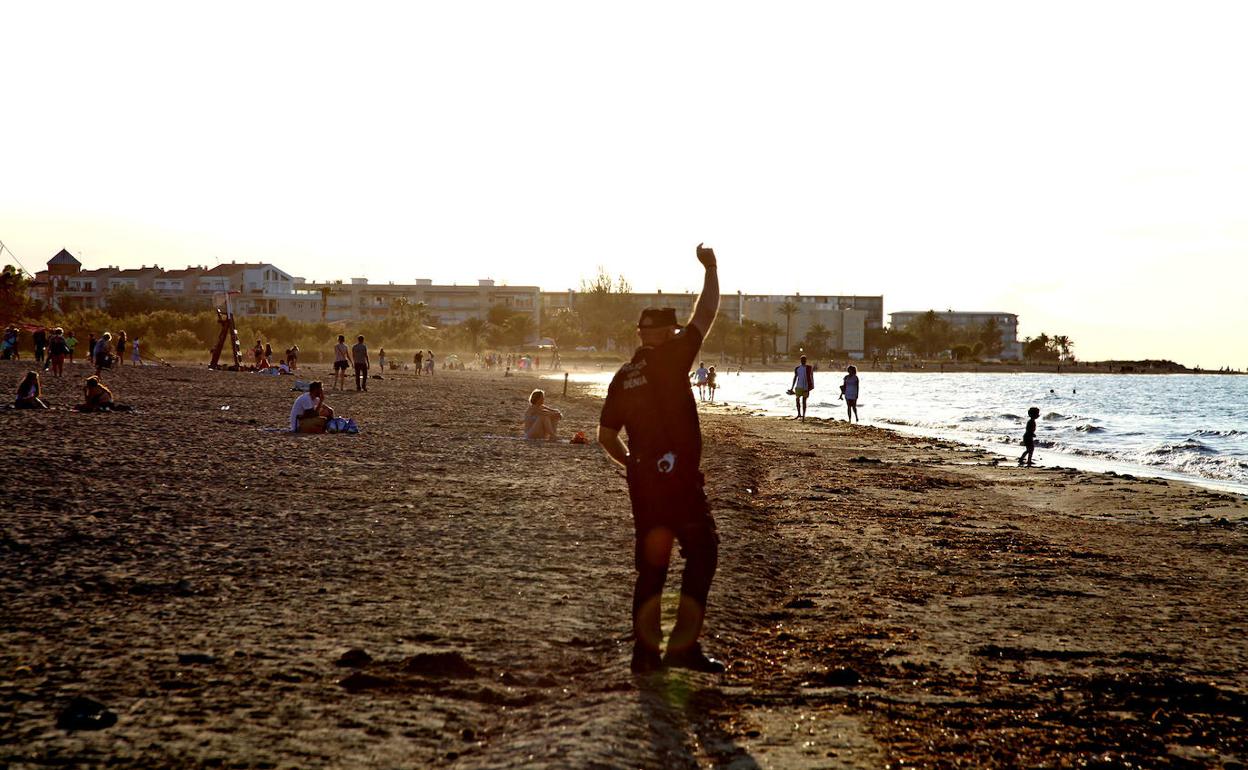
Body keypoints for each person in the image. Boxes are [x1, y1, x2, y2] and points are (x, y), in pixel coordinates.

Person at [597, 243, 723, 675]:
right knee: (703, 554)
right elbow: (704, 315)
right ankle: (681, 648)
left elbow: (605, 436)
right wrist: (711, 269)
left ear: (639, 334)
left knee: (652, 567)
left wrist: (633, 463)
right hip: (678, 482)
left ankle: (644, 655)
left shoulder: (623, 375)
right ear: (670, 333)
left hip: (644, 483)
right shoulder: (673, 358)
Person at [790, 355, 814, 420]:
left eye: (804, 360)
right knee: (797, 399)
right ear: (800, 361)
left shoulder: (809, 368)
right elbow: (795, 378)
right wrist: (792, 387)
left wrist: (812, 386)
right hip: (799, 387)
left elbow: (812, 377)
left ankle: (803, 416)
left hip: (806, 387)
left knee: (804, 401)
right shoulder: (797, 368)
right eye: (802, 360)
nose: (803, 361)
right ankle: (799, 414)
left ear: (806, 361)